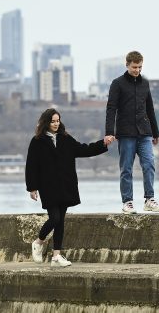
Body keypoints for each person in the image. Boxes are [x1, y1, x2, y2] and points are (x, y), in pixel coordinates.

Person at [25, 108, 110, 267]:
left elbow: (84, 149)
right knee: (54, 218)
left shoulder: (65, 138)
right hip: (48, 187)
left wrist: (102, 144)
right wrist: (32, 188)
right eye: (53, 121)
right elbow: (31, 165)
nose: (56, 124)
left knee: (61, 221)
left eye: (58, 121)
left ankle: (56, 256)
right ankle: (38, 242)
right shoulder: (37, 141)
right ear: (46, 122)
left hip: (65, 185)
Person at [104, 50, 159, 214]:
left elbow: (150, 109)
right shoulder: (117, 83)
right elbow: (111, 109)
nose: (137, 70)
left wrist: (155, 132)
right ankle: (127, 202)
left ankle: (149, 199)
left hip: (144, 133)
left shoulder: (145, 83)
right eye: (135, 67)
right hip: (126, 133)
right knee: (126, 169)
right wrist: (109, 132)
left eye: (140, 67)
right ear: (127, 65)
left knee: (149, 164)